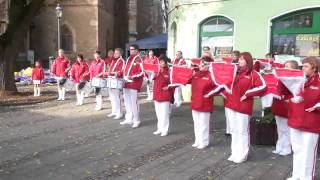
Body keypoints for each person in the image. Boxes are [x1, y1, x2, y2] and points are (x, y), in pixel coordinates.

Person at [225, 52, 266, 163]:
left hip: (243, 105)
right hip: (231, 104)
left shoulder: (254, 74)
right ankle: (235, 152)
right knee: (233, 130)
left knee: (242, 130)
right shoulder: (234, 72)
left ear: (248, 61)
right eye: (239, 59)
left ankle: (243, 154)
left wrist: (248, 93)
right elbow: (225, 83)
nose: (239, 61)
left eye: (242, 59)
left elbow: (263, 86)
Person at [287, 57, 320, 180]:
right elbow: (285, 93)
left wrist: (317, 106)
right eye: (302, 66)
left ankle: (306, 177)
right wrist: (290, 99)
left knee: (308, 152)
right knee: (297, 149)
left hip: (311, 122)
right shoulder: (298, 80)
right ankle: (296, 175)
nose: (302, 68)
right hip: (295, 119)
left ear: (314, 68)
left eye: (306, 66)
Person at [189, 56, 218, 149]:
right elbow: (186, 80)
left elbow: (219, 87)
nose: (202, 65)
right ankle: (197, 140)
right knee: (196, 123)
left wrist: (209, 94)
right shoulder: (195, 74)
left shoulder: (212, 75)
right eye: (201, 62)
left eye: (204, 63)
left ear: (209, 65)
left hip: (205, 103)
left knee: (204, 124)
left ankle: (204, 142)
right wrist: (190, 71)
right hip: (195, 102)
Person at [271, 60, 299, 156]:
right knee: (280, 128)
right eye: (284, 66)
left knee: (286, 129)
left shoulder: (295, 79)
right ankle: (279, 146)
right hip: (278, 104)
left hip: (286, 105)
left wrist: (287, 98)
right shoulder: (280, 77)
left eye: (288, 66)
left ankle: (287, 148)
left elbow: (296, 93)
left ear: (294, 69)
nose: (285, 68)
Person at [120, 44, 144, 128]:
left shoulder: (138, 59)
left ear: (137, 50)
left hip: (134, 83)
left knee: (134, 103)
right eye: (130, 49)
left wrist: (132, 76)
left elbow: (141, 72)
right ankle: (129, 118)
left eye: (132, 49)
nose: (131, 51)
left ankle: (136, 120)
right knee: (126, 102)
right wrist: (123, 77)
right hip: (126, 83)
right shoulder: (128, 59)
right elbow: (125, 70)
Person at [153, 55, 173, 136]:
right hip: (157, 94)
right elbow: (149, 76)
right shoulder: (156, 71)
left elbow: (175, 83)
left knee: (164, 114)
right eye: (159, 62)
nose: (160, 63)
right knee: (158, 113)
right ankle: (159, 128)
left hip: (165, 95)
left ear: (166, 63)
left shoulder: (170, 71)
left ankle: (165, 129)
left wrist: (168, 87)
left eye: (161, 62)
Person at [107, 48, 125, 120]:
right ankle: (114, 111)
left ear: (120, 54)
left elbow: (122, 71)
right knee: (112, 97)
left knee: (117, 98)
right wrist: (107, 72)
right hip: (111, 80)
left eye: (117, 53)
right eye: (115, 53)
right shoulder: (113, 61)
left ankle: (119, 112)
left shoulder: (122, 61)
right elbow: (111, 69)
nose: (115, 54)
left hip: (117, 80)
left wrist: (114, 73)